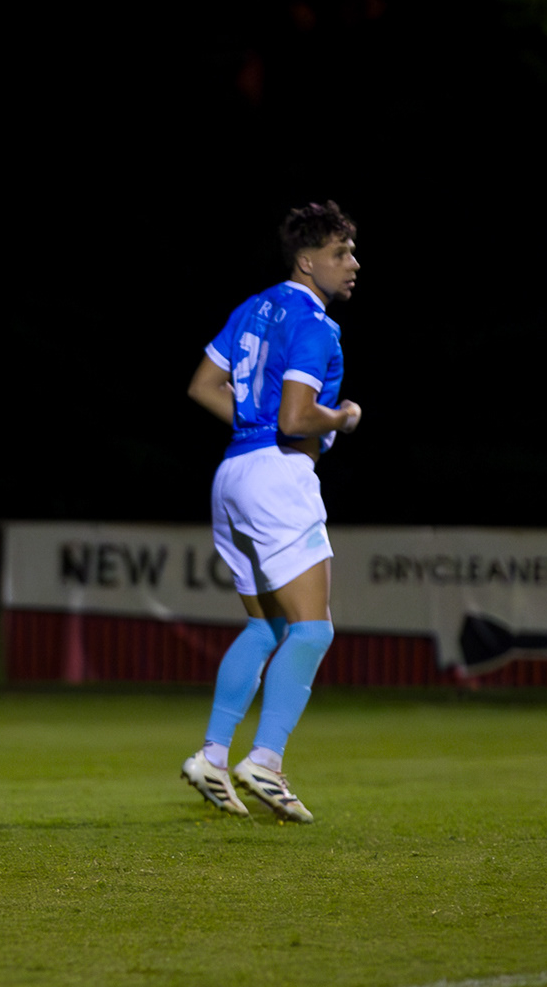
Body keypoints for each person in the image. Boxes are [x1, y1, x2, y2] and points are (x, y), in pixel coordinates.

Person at [180, 201, 362, 823]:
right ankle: (265, 760)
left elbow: (203, 385)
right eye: (340, 253)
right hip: (278, 477)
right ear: (307, 262)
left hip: (233, 473)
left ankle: (211, 755)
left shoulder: (254, 307)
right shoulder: (315, 324)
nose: (353, 263)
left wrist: (252, 428)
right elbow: (295, 417)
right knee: (313, 630)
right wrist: (343, 417)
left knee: (268, 629)